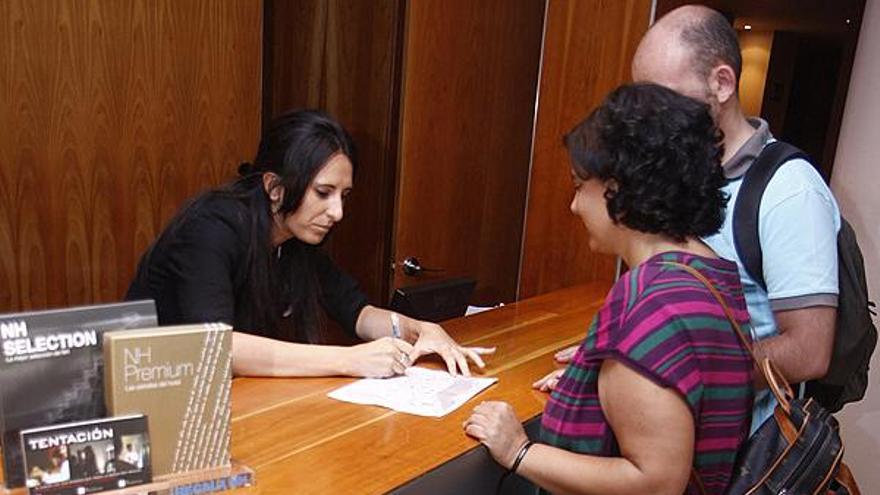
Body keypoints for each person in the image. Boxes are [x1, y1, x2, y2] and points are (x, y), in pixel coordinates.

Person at [464, 83, 754, 494]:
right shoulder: (706, 273)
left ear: (617, 188)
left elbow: (655, 483)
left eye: (580, 186)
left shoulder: (655, 300)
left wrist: (519, 451)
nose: (575, 205)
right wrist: (590, 386)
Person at [127, 109, 493, 377]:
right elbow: (216, 348)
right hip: (151, 403)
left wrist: (419, 329)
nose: (337, 213)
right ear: (275, 188)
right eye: (323, 193)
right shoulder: (211, 228)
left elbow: (357, 312)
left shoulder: (295, 237)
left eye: (344, 196)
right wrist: (349, 360)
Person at [629, 4, 840, 431]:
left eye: (663, 96)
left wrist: (667, 376)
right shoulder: (681, 174)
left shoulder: (789, 189)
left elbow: (809, 350)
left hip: (739, 452)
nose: (650, 114)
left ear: (722, 83)